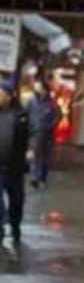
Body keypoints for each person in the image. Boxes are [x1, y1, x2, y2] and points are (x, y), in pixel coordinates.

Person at [0, 81, 28, 244]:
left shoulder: (21, 115)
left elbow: (31, 135)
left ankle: (15, 226)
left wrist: (31, 150)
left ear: (9, 96)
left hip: (15, 166)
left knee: (16, 201)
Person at [26, 78, 62, 189]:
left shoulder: (52, 103)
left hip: (46, 134)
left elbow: (58, 116)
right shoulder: (31, 102)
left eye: (38, 86)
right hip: (33, 133)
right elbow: (26, 114)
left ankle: (41, 178)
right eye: (35, 86)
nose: (36, 88)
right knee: (34, 154)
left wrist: (50, 125)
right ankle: (35, 177)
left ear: (44, 89)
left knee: (43, 157)